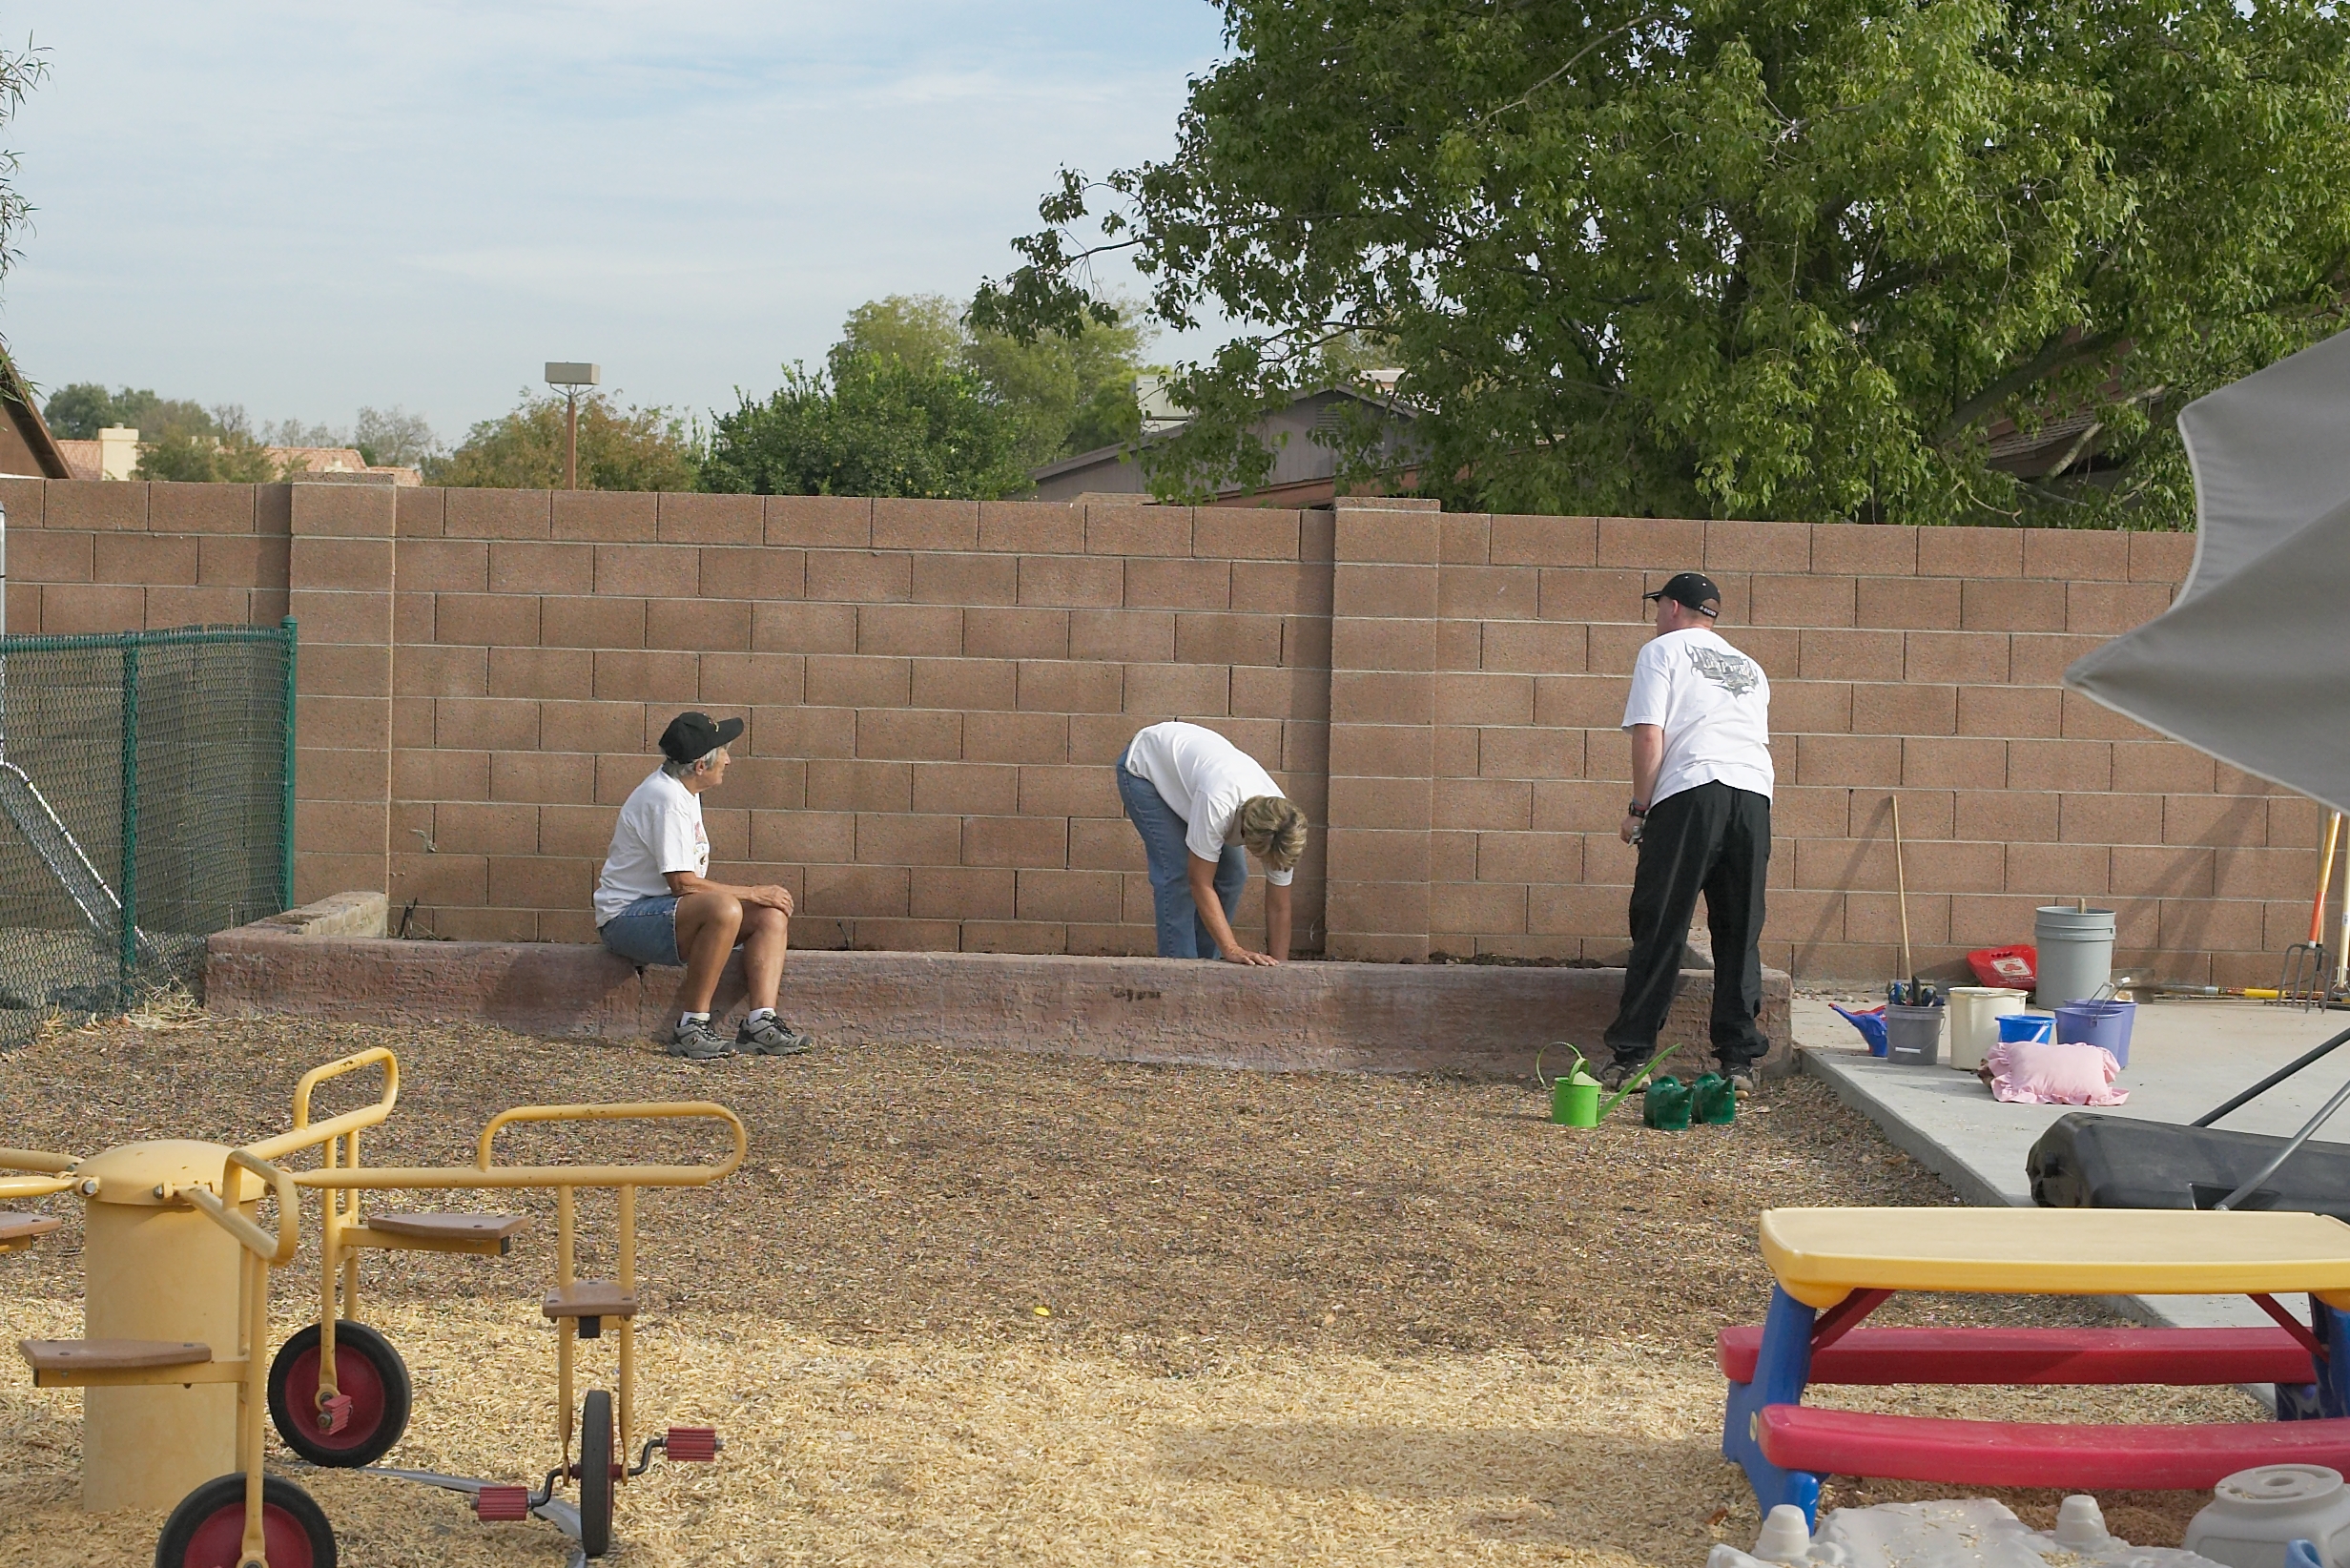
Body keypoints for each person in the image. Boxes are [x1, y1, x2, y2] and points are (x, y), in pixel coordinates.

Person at [1599, 572, 1774, 1098]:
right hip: (1754, 795)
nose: (1657, 616)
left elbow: (1649, 734)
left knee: (1661, 921)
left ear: (1673, 607)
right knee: (1739, 929)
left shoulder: (1661, 651)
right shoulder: (1750, 667)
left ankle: (1633, 1057)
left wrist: (1639, 808)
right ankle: (1738, 1062)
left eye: (1659, 606)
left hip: (1692, 789)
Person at [593, 711, 812, 1062]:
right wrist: (752, 891)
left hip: (665, 913)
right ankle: (691, 1027)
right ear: (699, 766)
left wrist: (759, 899)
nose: (728, 760)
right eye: (722, 752)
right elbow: (682, 884)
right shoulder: (666, 799)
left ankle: (761, 1023)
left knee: (770, 915)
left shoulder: (684, 790)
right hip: (625, 921)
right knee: (724, 908)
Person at [1117, 720, 1309, 962]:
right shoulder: (1218, 803)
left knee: (1233, 876)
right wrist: (1233, 949)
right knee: (1177, 872)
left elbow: (1279, 907)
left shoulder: (1284, 826)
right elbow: (1199, 881)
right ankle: (1180, 969)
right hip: (1146, 768)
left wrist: (1278, 969)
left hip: (1195, 774)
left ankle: (1207, 966)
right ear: (1245, 834)